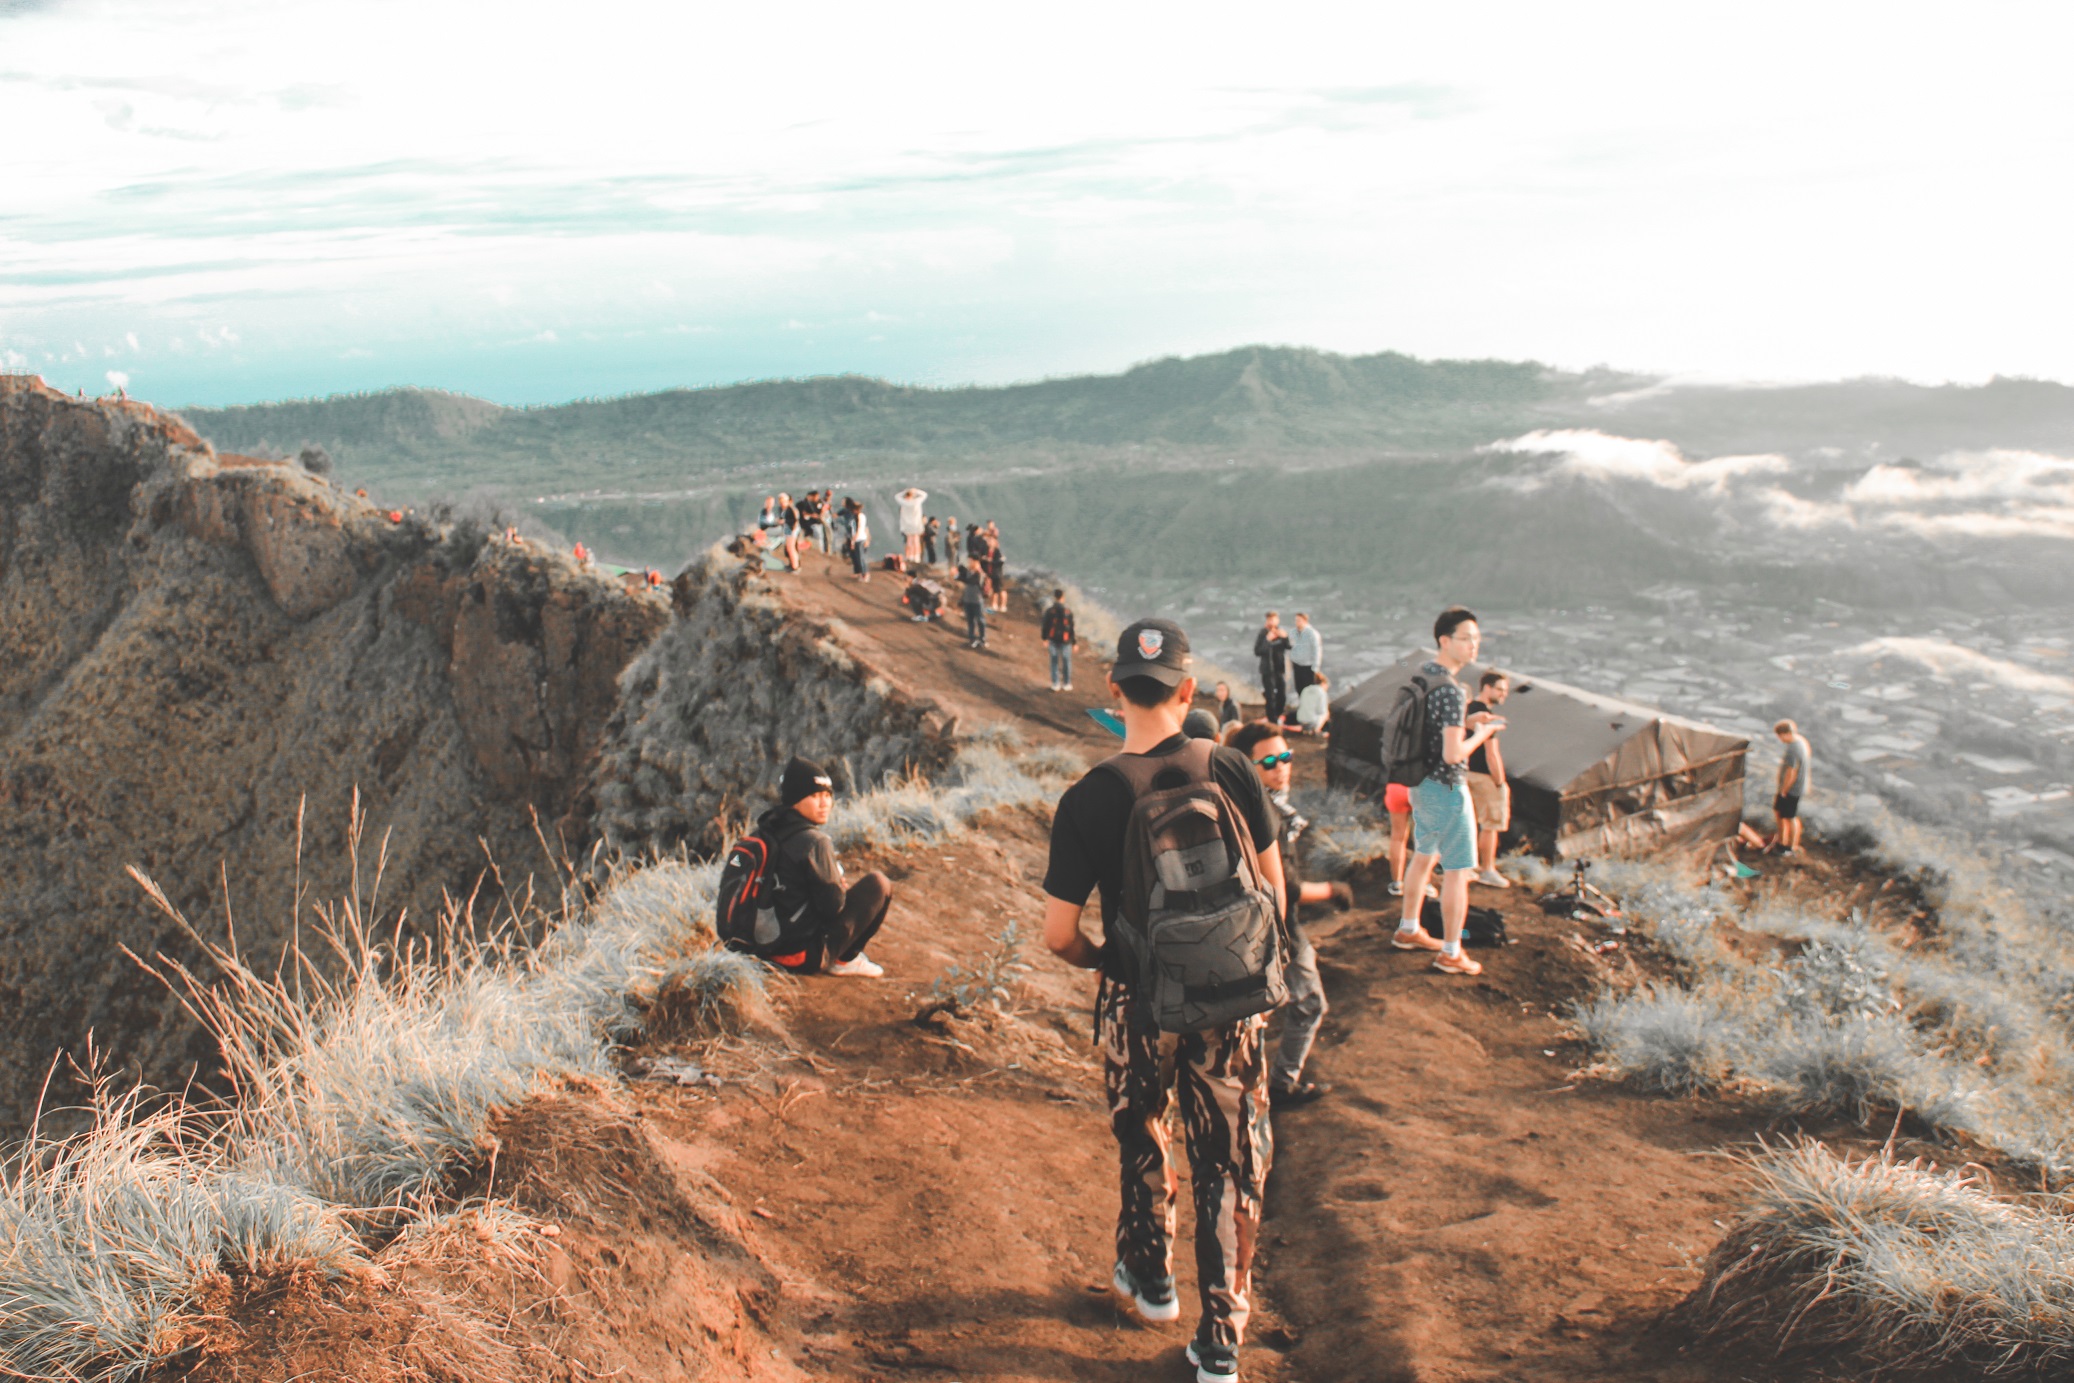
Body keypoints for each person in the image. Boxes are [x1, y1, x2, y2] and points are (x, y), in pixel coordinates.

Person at [1041, 619, 1282, 1383]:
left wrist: (1110, 961)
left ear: (1112, 688)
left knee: (1144, 1130)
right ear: (1188, 689)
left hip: (1139, 1000)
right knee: (1230, 1160)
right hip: (1231, 1002)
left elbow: (1056, 936)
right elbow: (1274, 893)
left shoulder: (1088, 797)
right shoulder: (1235, 768)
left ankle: (1150, 1284)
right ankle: (1220, 1342)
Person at [1230, 720, 1349, 1110]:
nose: (1282, 767)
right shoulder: (1270, 815)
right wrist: (1333, 891)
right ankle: (1280, 1085)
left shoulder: (1241, 803)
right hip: (1281, 928)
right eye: (1269, 761)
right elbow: (1288, 886)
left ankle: (1256, 1083)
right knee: (1310, 1002)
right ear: (1249, 767)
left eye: (1286, 757)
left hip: (1246, 927)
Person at [1392, 608, 1504, 977]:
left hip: (1419, 783)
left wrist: (1466, 723)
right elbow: (1453, 753)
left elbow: (1431, 728)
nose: (1473, 645)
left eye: (1476, 639)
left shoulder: (1424, 675)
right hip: (1448, 786)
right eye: (1466, 638)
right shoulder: (1453, 691)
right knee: (1458, 870)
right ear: (1445, 640)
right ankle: (1452, 952)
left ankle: (1409, 929)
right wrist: (1482, 735)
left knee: (1423, 855)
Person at [751, 757, 892, 977]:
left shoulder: (763, 832)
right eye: (815, 795)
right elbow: (832, 907)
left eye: (827, 795)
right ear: (796, 799)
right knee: (879, 884)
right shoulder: (815, 842)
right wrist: (837, 887)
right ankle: (845, 961)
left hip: (761, 949)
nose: (824, 802)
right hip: (799, 956)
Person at [1465, 670, 1512, 888]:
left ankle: (1467, 866)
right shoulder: (1484, 715)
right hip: (1483, 776)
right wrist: (1500, 782)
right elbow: (1491, 754)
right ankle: (1488, 869)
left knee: (1468, 821)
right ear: (1487, 688)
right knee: (1491, 823)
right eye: (1500, 689)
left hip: (1464, 772)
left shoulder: (1467, 709)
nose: (1504, 694)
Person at [1773, 719, 1812, 854]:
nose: (1780, 739)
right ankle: (1785, 842)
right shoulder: (1801, 742)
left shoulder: (1793, 749)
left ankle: (1788, 845)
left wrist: (1784, 790)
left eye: (1780, 736)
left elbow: (1791, 771)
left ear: (1785, 734)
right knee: (1783, 813)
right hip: (1799, 787)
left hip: (1791, 789)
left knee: (1788, 816)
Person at [1253, 613, 1290, 726]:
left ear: (1277, 620)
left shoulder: (1280, 632)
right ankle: (1272, 720)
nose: (1272, 622)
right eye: (1269, 620)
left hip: (1279, 669)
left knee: (1282, 695)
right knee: (1270, 696)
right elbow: (1257, 651)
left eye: (1273, 620)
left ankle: (1278, 714)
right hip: (1267, 670)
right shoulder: (1263, 633)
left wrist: (1285, 638)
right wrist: (1267, 640)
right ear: (1266, 621)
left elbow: (1289, 647)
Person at [1041, 588, 1076, 691]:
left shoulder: (1050, 611)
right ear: (1062, 597)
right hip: (1065, 641)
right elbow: (1071, 628)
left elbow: (1045, 626)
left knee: (1054, 661)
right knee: (1066, 661)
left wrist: (1044, 638)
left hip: (1053, 639)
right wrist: (1074, 642)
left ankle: (1056, 683)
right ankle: (1066, 683)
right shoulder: (1067, 611)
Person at [1288, 614, 1324, 703]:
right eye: (1296, 620)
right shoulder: (1293, 632)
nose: (1297, 622)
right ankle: (1303, 708)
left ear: (1305, 621)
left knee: (1308, 690)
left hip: (1308, 666)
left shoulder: (1312, 633)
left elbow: (1317, 650)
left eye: (1299, 620)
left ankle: (1309, 709)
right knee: (1299, 688)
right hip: (1297, 664)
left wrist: (1315, 667)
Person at [958, 556, 989, 649]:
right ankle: (972, 639)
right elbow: (964, 582)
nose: (969, 563)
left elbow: (972, 581)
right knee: (970, 620)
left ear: (976, 562)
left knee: (980, 620)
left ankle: (982, 639)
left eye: (971, 561)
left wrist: (961, 574)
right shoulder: (969, 572)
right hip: (968, 600)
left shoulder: (980, 574)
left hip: (977, 600)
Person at [841, 497, 872, 581]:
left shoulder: (857, 517)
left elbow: (856, 530)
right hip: (862, 538)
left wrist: (853, 541)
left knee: (860, 557)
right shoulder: (862, 516)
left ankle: (864, 574)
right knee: (861, 557)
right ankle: (863, 574)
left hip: (858, 539)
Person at [1293, 672, 1330, 736]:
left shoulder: (1305, 689)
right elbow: (1321, 710)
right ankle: (1316, 730)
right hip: (1313, 722)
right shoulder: (1321, 692)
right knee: (1326, 713)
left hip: (1300, 720)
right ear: (1324, 683)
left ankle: (1306, 730)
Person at [897, 487, 928, 563]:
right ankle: (916, 556)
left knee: (909, 541)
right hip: (916, 523)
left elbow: (897, 496)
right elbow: (924, 495)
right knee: (916, 540)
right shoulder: (916, 501)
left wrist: (904, 491)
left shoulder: (903, 502)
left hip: (907, 524)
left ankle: (909, 556)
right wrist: (916, 491)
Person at [776, 491, 802, 572]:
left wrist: (786, 523)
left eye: (783, 501)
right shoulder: (783, 509)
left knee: (791, 548)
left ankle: (795, 566)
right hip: (788, 529)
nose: (781, 502)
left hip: (791, 530)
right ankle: (793, 564)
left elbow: (795, 521)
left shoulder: (791, 509)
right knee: (789, 548)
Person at [985, 521, 1008, 613]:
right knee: (994, 590)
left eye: (991, 540)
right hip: (991, 574)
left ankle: (1003, 605)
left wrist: (991, 561)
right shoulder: (988, 551)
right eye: (988, 540)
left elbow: (1000, 561)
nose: (989, 542)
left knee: (1001, 590)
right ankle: (993, 605)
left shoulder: (997, 551)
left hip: (998, 574)